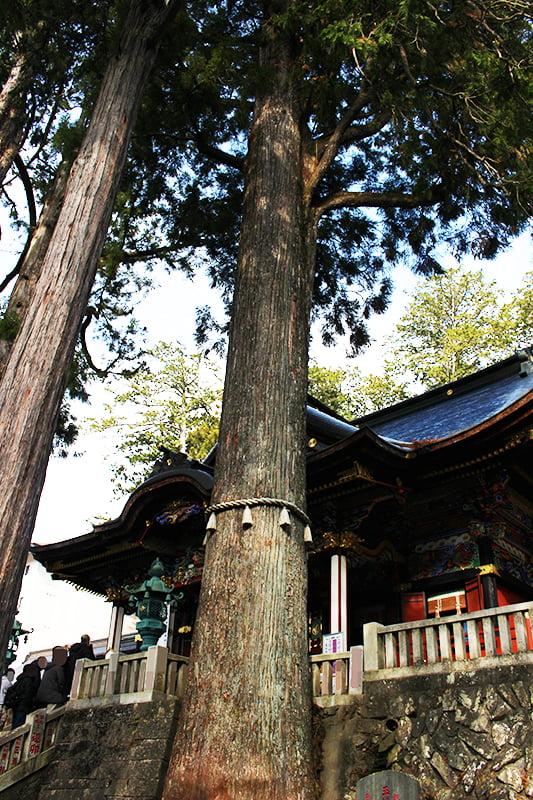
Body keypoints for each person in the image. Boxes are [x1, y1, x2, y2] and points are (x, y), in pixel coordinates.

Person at [4, 663, 40, 729]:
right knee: (19, 726)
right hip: (23, 706)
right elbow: (27, 694)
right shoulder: (29, 681)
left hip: (17, 705)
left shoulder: (20, 680)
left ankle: (12, 738)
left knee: (15, 724)